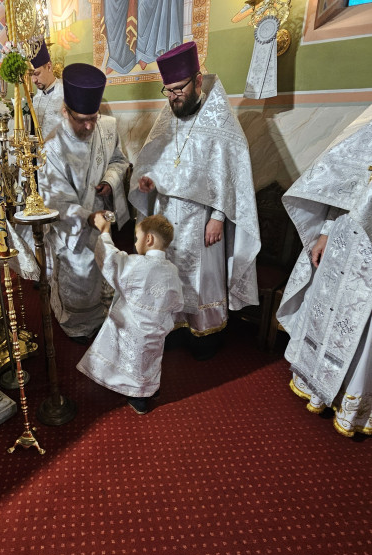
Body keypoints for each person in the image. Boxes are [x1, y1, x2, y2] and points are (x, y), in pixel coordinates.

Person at [129, 41, 260, 355]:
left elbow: (231, 172)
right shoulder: (168, 117)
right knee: (168, 272)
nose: (173, 96)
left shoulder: (220, 119)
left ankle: (205, 334)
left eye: (179, 89)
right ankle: (174, 325)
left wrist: (218, 216)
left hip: (200, 218)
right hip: (165, 214)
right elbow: (157, 162)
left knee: (202, 279)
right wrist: (149, 181)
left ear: (198, 80)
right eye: (168, 90)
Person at [277, 117, 372, 437]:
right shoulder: (367, 132)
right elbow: (342, 190)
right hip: (343, 241)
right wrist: (325, 233)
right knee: (326, 310)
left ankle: (350, 402)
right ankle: (316, 387)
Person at [37, 63, 129, 341]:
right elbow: (55, 199)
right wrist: (87, 217)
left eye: (93, 118)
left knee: (105, 275)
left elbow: (119, 161)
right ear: (66, 111)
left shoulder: (108, 128)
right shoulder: (52, 148)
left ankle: (103, 322)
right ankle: (77, 327)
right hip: (72, 230)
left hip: (102, 222)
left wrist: (110, 181)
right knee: (78, 279)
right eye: (81, 119)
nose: (89, 125)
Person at [77, 213, 184, 414]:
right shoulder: (172, 270)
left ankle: (138, 396)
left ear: (148, 239)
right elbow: (177, 303)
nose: (135, 243)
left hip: (133, 329)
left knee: (131, 359)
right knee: (150, 360)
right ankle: (152, 388)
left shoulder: (136, 264)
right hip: (157, 330)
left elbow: (110, 259)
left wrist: (105, 232)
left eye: (137, 238)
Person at [30, 41, 64, 140]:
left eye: (36, 74)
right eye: (31, 75)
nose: (33, 80)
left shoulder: (65, 94)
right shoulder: (35, 98)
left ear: (49, 67)